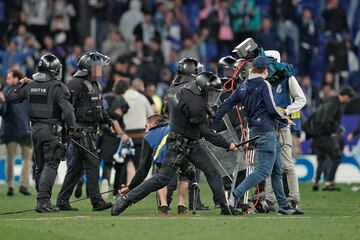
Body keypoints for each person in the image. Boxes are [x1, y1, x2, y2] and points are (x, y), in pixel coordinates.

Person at [111, 71, 239, 216]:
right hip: (179, 143)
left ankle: (224, 208)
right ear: (203, 90)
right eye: (211, 93)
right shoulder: (196, 104)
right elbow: (207, 134)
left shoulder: (188, 90)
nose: (213, 96)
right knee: (162, 178)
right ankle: (126, 199)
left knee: (212, 172)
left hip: (189, 140)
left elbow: (201, 110)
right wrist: (228, 145)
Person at [212, 56, 297, 215]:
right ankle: (234, 198)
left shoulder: (242, 87)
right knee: (264, 171)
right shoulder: (265, 85)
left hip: (255, 131)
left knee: (277, 170)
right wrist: (284, 119)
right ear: (266, 70)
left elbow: (225, 105)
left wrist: (214, 126)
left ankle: (284, 206)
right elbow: (272, 109)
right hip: (267, 132)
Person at [6, 54, 77, 212]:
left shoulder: (29, 85)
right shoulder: (58, 87)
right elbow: (68, 110)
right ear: (53, 70)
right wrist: (72, 128)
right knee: (51, 165)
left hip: (35, 130)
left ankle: (41, 200)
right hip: (51, 130)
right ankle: (43, 202)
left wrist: (19, 82)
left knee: (40, 166)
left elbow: (10, 97)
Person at [56, 52, 116, 211]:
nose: (101, 71)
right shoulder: (75, 84)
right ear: (90, 68)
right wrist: (70, 129)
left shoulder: (96, 85)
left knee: (75, 169)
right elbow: (66, 109)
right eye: (98, 68)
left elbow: (99, 108)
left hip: (90, 131)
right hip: (79, 131)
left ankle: (62, 201)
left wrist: (108, 120)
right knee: (93, 162)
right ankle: (97, 201)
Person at [263, 50, 307, 213]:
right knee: (267, 165)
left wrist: (286, 111)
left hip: (281, 126)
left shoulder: (288, 78)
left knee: (286, 164)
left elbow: (301, 99)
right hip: (267, 126)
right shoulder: (263, 78)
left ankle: (293, 199)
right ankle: (270, 200)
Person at [119, 115, 189, 214]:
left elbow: (143, 168)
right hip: (181, 154)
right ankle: (181, 206)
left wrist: (130, 187)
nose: (145, 131)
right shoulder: (174, 127)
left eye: (146, 127)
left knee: (159, 176)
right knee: (184, 176)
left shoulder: (149, 136)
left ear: (153, 124)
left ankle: (163, 205)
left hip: (164, 158)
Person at [304, 87, 356, 191]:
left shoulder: (328, 101)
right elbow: (326, 121)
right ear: (345, 96)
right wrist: (335, 130)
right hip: (324, 134)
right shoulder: (334, 104)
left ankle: (316, 181)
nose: (348, 100)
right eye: (349, 98)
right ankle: (328, 183)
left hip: (315, 135)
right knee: (337, 157)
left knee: (321, 158)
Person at [0, 69, 33, 196]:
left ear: (15, 79)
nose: (7, 81)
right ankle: (24, 185)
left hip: (11, 129)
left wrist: (2, 101)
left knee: (10, 159)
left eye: (9, 78)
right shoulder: (27, 89)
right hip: (25, 128)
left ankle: (10, 185)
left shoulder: (6, 91)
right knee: (27, 159)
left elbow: (2, 111)